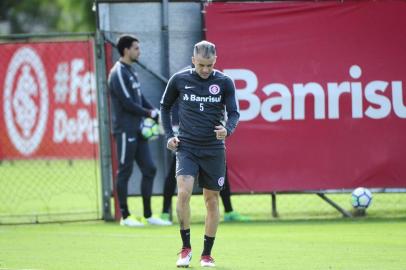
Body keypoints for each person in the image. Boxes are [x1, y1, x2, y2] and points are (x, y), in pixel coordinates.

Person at [160, 40, 240, 268]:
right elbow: (165, 107)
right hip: (187, 147)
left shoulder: (225, 82)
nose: (205, 70)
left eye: (209, 65)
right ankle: (185, 249)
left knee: (211, 200)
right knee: (183, 193)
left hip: (214, 150)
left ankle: (207, 254)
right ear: (193, 60)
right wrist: (169, 135)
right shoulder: (179, 79)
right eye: (201, 65)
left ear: (215, 61)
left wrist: (228, 130)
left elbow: (234, 113)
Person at [108, 34, 171, 227]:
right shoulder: (118, 72)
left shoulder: (131, 71)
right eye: (136, 48)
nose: (139, 51)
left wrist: (155, 112)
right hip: (126, 130)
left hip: (139, 129)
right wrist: (149, 113)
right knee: (125, 170)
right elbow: (127, 103)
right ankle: (125, 217)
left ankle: (148, 214)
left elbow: (139, 97)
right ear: (126, 50)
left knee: (149, 169)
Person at [161, 154, 251, 223]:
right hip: (186, 145)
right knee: (174, 176)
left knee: (221, 175)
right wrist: (172, 137)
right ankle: (165, 213)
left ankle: (229, 211)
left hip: (209, 146)